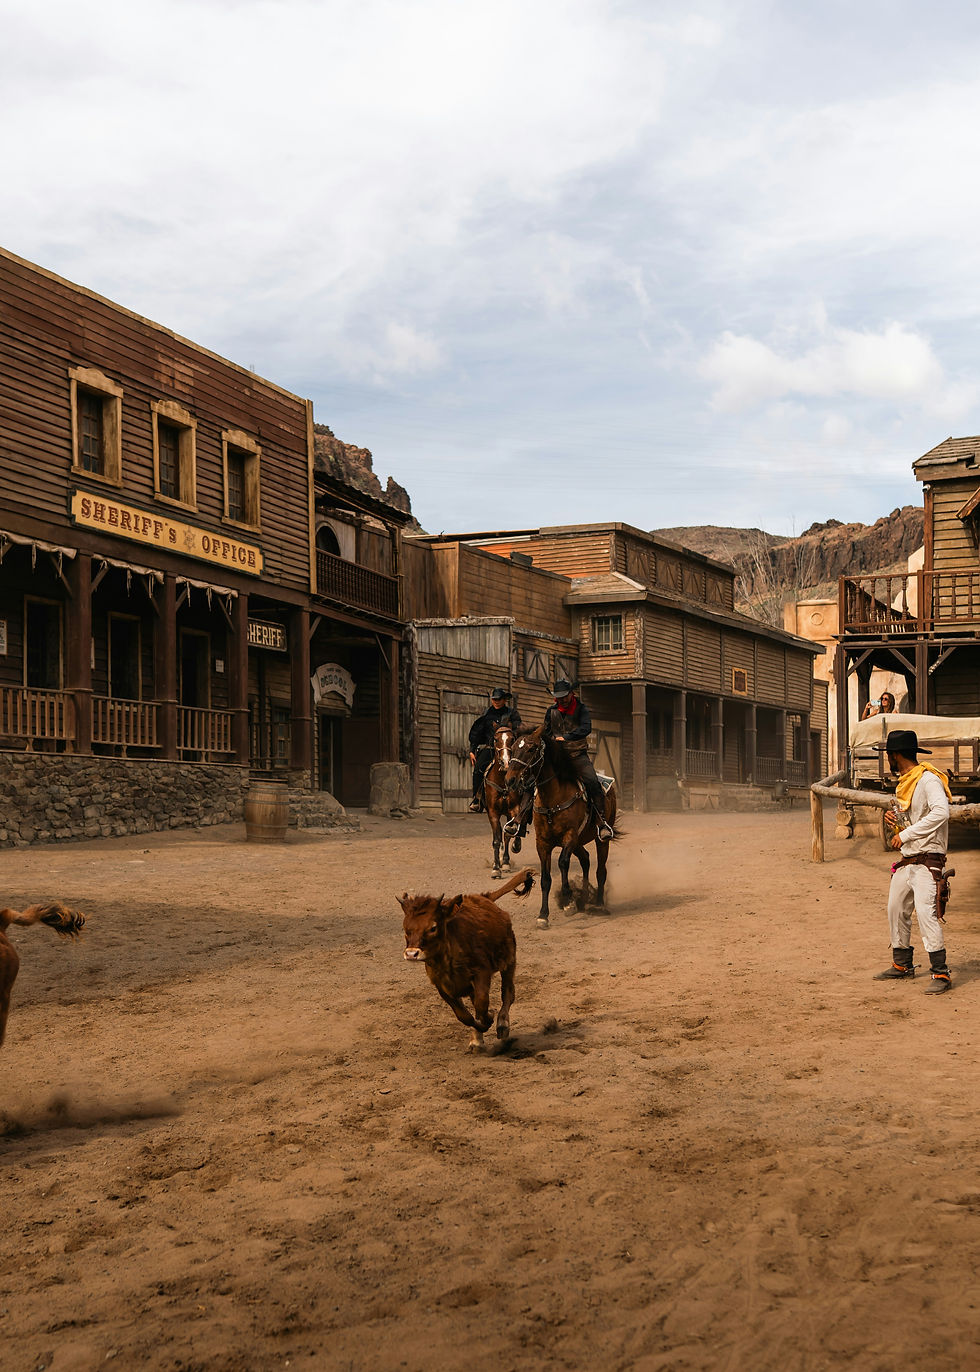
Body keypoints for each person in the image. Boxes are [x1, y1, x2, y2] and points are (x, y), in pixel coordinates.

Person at [876, 729, 953, 993]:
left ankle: (940, 974)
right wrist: (896, 824)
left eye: (888, 755)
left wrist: (906, 833)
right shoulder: (907, 782)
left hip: (928, 858)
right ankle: (902, 965)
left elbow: (942, 812)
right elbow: (913, 819)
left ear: (895, 755)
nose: (888, 760)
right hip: (908, 857)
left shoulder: (929, 780)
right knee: (895, 908)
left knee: (926, 913)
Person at [542, 679, 614, 842]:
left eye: (565, 696)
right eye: (559, 697)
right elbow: (546, 731)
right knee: (532, 779)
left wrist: (565, 737)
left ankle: (601, 822)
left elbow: (585, 728)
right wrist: (550, 740)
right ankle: (520, 821)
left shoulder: (582, 709)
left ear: (571, 694)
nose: (563, 700)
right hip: (555, 757)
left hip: (577, 755)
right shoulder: (550, 711)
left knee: (592, 781)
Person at [467, 688, 522, 812]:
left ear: (504, 700)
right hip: (491, 748)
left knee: (523, 768)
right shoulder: (487, 714)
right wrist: (472, 750)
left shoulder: (512, 713)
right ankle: (477, 799)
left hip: (509, 747)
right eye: (494, 699)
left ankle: (525, 799)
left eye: (498, 699)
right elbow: (477, 731)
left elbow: (518, 728)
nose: (496, 702)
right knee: (478, 770)